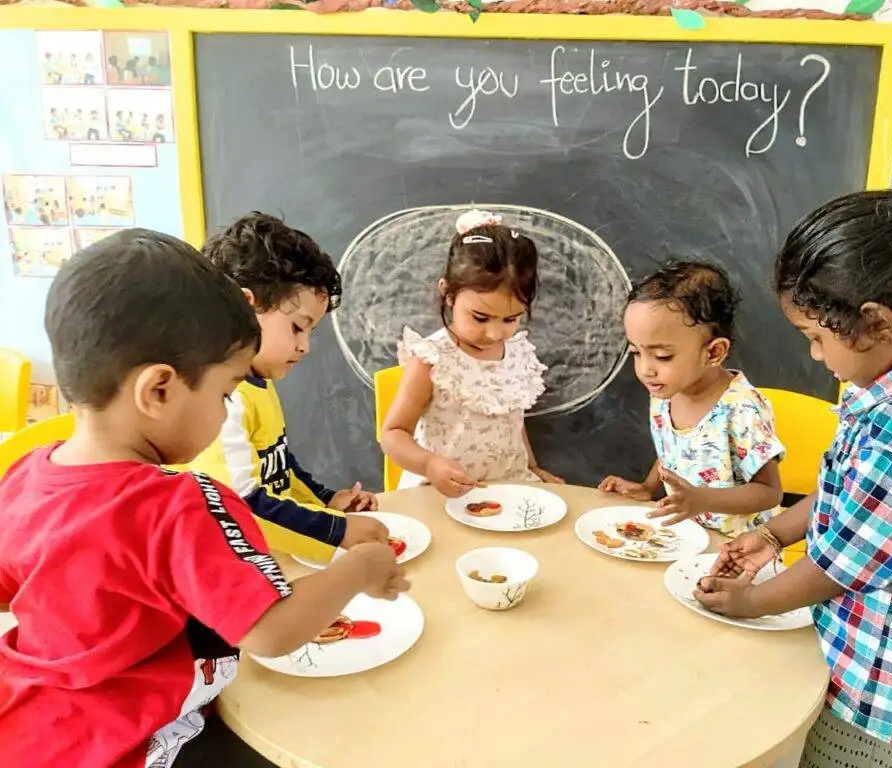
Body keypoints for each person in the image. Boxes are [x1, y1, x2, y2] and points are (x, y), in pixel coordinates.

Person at [0, 229, 408, 767]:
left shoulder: (26, 475)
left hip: (30, 732)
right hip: (138, 747)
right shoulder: (182, 504)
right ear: (159, 390)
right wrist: (361, 568)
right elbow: (271, 630)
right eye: (225, 393)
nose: (226, 412)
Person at [695, 178, 892, 768]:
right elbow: (843, 494)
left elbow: (837, 569)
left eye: (816, 338)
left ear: (877, 323)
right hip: (863, 644)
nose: (815, 355)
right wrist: (771, 535)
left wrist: (750, 602)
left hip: (885, 688)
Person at [194, 213, 385, 563]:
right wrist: (336, 530)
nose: (305, 346)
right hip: (236, 574)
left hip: (276, 558)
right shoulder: (224, 403)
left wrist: (325, 498)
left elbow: (279, 466)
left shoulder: (258, 381)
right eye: (298, 327)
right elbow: (244, 505)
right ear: (244, 307)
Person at [380, 209, 563, 497]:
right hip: (441, 493)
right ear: (448, 294)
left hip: (508, 488)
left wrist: (532, 466)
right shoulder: (432, 358)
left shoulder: (517, 352)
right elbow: (393, 434)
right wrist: (429, 465)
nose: (494, 333)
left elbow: (512, 419)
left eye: (511, 319)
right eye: (480, 318)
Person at [598, 261, 784, 537]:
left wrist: (704, 500)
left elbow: (770, 493)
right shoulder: (665, 391)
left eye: (662, 356)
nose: (645, 369)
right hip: (687, 538)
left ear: (713, 353)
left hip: (739, 549)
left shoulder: (741, 410)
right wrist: (649, 487)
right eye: (636, 353)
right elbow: (673, 454)